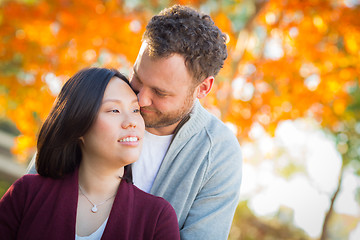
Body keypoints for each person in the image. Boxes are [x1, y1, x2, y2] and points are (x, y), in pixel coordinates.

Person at [27, 4, 242, 239]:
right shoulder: (97, 98)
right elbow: (31, 193)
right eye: (137, 78)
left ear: (203, 88)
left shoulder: (219, 153)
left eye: (160, 93)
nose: (140, 99)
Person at [0, 68, 180, 240]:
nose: (132, 122)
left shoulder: (157, 218)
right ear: (79, 125)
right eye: (114, 110)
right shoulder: (26, 194)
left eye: (135, 110)